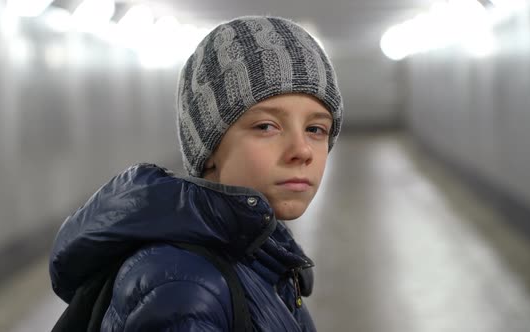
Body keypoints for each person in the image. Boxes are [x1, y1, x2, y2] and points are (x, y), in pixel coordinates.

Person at [49, 15, 343, 331]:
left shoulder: (262, 256)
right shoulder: (184, 288)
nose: (302, 150)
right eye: (266, 126)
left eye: (316, 128)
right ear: (209, 149)